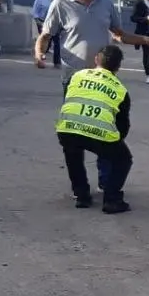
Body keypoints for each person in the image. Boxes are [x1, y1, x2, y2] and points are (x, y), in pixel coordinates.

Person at [36, 0, 149, 193]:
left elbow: (119, 34)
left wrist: (143, 39)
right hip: (74, 81)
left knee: (105, 130)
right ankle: (80, 189)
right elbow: (46, 34)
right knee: (74, 135)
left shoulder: (105, 4)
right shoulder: (61, 4)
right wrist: (39, 53)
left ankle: (105, 181)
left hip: (103, 81)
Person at [56, 45, 134, 214]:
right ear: (118, 67)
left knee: (72, 152)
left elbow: (68, 101)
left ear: (96, 60)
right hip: (100, 134)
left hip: (68, 129)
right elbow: (122, 126)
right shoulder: (120, 90)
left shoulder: (76, 76)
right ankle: (112, 199)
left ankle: (81, 195)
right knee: (123, 159)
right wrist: (114, 144)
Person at [33, 0, 61, 69]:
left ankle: (57, 63)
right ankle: (40, 59)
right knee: (45, 43)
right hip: (42, 22)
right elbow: (35, 12)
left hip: (54, 23)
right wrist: (38, 22)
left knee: (57, 42)